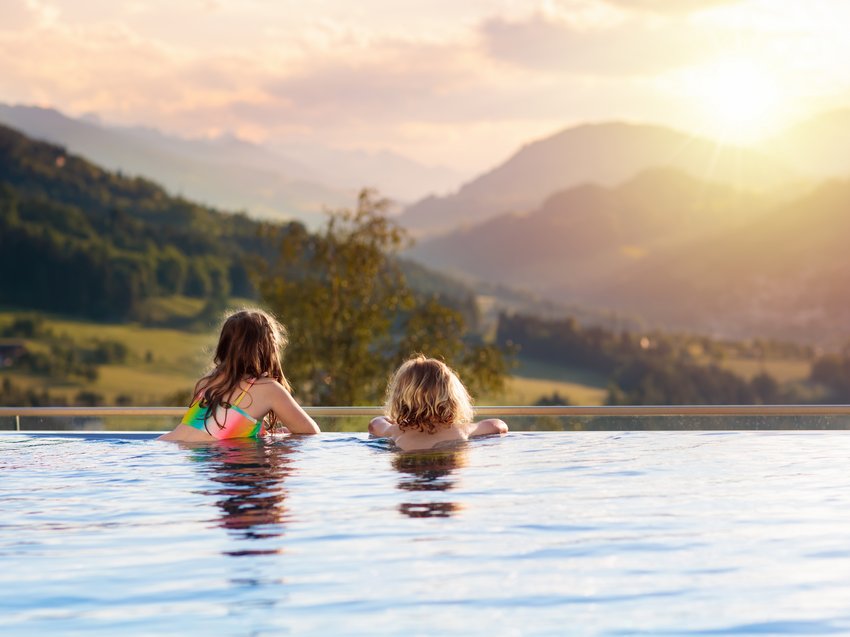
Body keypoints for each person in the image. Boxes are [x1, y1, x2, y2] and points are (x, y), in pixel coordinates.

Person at [159, 309, 320, 442]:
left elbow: (215, 431)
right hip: (203, 458)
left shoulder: (208, 380)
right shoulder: (269, 389)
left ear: (224, 346)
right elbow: (311, 434)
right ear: (267, 348)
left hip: (165, 446)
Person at [369, 355, 507, 451]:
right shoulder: (462, 430)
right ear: (453, 397)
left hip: (409, 471)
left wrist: (392, 421)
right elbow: (498, 426)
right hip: (447, 470)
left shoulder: (395, 431)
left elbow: (374, 425)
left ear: (400, 399)